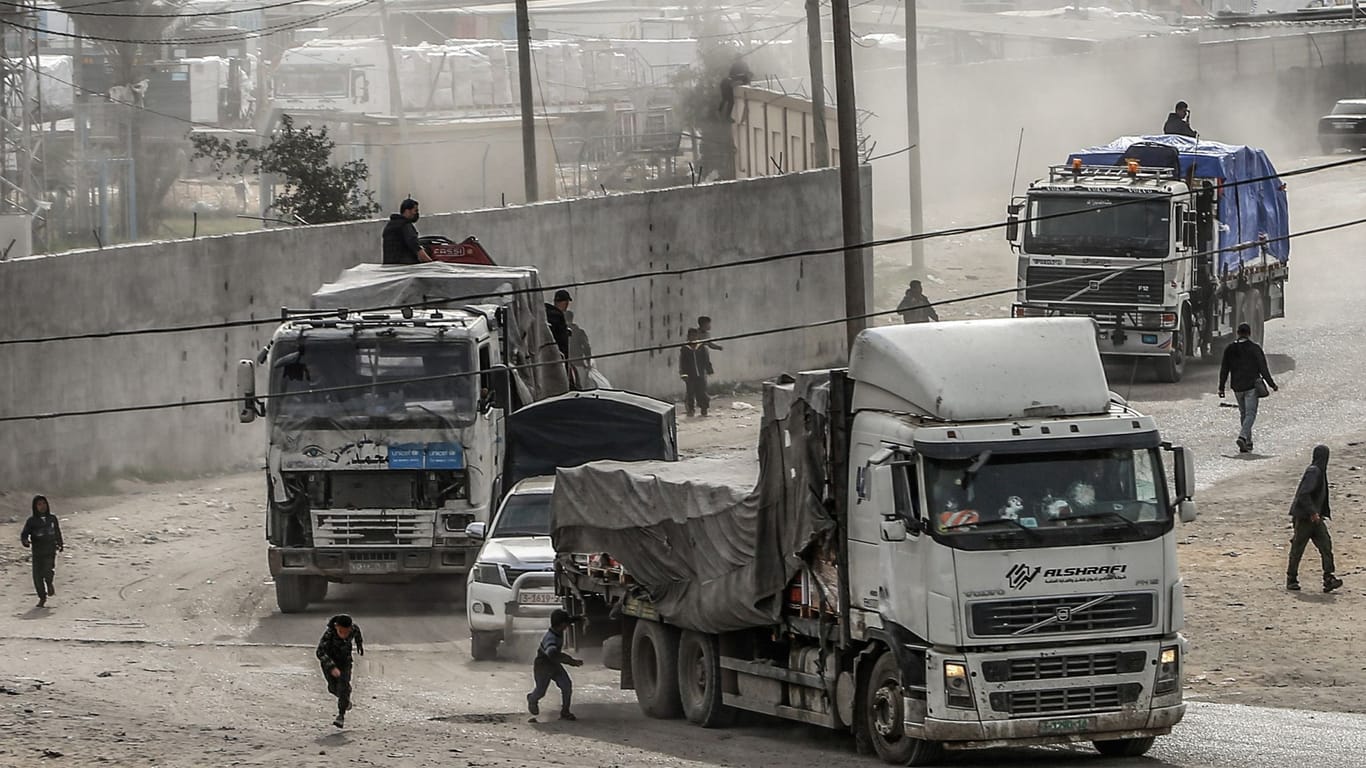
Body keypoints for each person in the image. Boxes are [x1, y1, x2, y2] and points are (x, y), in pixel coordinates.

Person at [1286, 445, 1343, 593]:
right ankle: (1291, 578)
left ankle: (1328, 578)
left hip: (1316, 518)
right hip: (1305, 518)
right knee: (1298, 548)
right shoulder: (1314, 472)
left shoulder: (1318, 472)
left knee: (1326, 545)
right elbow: (1304, 494)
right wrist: (1312, 512)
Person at [1218, 322, 1278, 453]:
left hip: (1237, 387)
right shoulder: (1255, 348)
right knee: (1250, 414)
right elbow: (1263, 368)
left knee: (1244, 414)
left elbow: (1224, 369)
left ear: (1238, 333)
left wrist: (1221, 387)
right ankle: (1243, 436)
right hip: (1251, 386)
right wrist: (1272, 384)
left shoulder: (1230, 349)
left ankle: (1248, 443)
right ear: (1249, 334)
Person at [527, 608, 583, 722]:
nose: (567, 626)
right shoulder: (551, 638)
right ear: (561, 625)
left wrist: (579, 618)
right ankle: (532, 699)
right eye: (565, 624)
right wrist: (572, 661)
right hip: (543, 665)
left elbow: (568, 621)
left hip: (553, 664)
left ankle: (565, 712)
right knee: (541, 691)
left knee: (566, 685)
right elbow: (552, 653)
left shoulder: (558, 629)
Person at [317, 614, 365, 728]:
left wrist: (359, 644)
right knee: (333, 688)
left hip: (345, 662)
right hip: (329, 663)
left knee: (343, 686)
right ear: (336, 627)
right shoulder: (329, 635)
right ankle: (345, 700)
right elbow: (320, 652)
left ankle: (341, 716)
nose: (344, 635)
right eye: (341, 632)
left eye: (346, 632)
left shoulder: (352, 629)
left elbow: (357, 632)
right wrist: (332, 667)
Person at [20, 495, 63, 608]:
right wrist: (25, 542)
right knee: (37, 576)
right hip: (37, 551)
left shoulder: (52, 519)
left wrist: (60, 543)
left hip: (50, 549)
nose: (42, 506)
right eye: (39, 504)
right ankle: (42, 597)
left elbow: (57, 532)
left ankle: (49, 583)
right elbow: (24, 534)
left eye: (44, 504)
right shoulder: (31, 521)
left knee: (48, 570)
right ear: (35, 507)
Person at [381, 198, 432, 265]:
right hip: (405, 269)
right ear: (407, 211)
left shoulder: (390, 225)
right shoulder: (405, 226)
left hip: (390, 268)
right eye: (415, 210)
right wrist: (432, 264)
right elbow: (416, 248)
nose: (417, 213)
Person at [679, 328, 712, 417]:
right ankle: (691, 409)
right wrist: (683, 373)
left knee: (702, 392)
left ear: (697, 336)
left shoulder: (701, 347)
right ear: (688, 337)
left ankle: (704, 408)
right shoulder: (685, 349)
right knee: (690, 392)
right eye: (691, 336)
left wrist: (709, 369)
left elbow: (706, 359)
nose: (693, 338)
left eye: (695, 336)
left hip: (701, 374)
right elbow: (683, 362)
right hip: (690, 375)